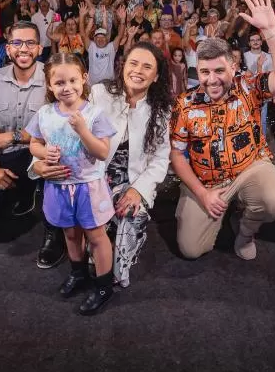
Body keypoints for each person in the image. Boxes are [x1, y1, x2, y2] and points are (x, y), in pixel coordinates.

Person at [169, 0, 275, 262]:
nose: (212, 80)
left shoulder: (248, 86)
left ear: (234, 67)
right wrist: (202, 194)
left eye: (219, 71)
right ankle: (222, 207)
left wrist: (271, 31)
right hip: (206, 181)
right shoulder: (185, 104)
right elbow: (177, 155)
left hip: (249, 167)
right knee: (190, 250)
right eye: (205, 72)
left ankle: (246, 231)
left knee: (274, 202)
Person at [34, 42, 173, 288]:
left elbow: (161, 160)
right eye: (133, 63)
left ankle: (107, 263)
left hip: (130, 183)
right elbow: (57, 127)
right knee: (81, 236)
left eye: (147, 66)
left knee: (118, 262)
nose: (138, 70)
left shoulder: (161, 111)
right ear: (122, 66)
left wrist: (137, 190)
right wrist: (39, 162)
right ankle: (63, 242)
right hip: (89, 176)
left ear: (156, 75)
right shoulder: (98, 93)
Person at [0, 21, 66, 270]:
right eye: (17, 43)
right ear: (8, 49)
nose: (24, 48)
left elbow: (59, 130)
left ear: (40, 48)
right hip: (4, 159)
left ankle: (54, 235)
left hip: (41, 153)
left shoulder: (53, 80)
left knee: (53, 161)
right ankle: (20, 192)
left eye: (31, 42)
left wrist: (10, 137)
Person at [26, 53, 118, 315]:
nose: (66, 88)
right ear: (49, 85)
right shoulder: (44, 113)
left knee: (96, 236)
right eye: (59, 82)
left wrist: (83, 130)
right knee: (69, 232)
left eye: (73, 80)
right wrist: (44, 154)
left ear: (84, 79)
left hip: (88, 186)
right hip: (58, 186)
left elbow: (101, 152)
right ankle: (78, 273)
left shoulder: (94, 114)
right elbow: (34, 142)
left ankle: (103, 286)